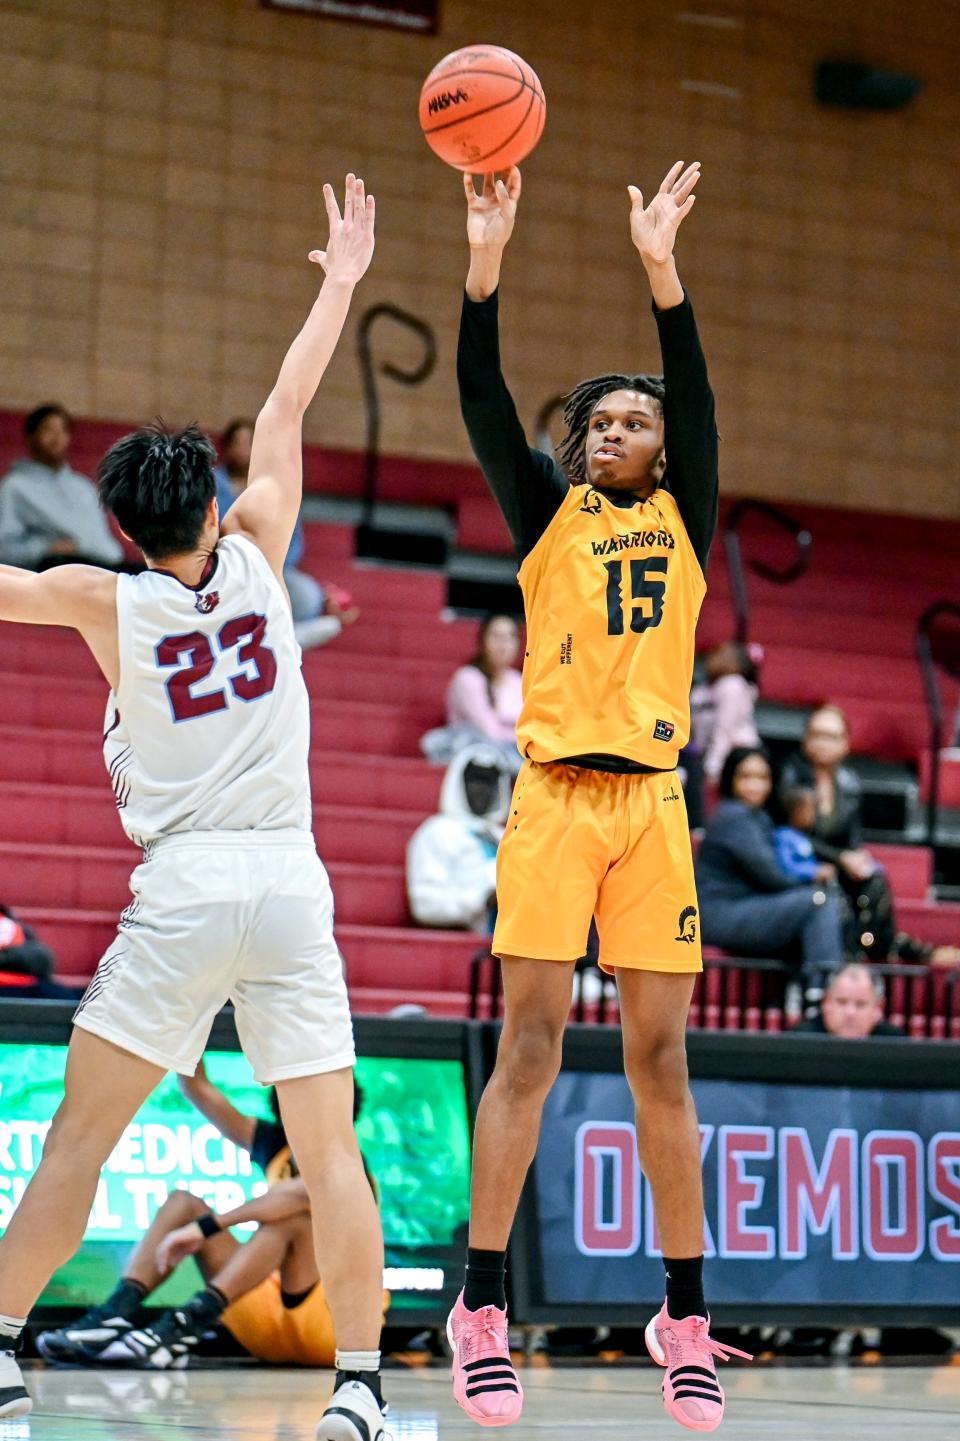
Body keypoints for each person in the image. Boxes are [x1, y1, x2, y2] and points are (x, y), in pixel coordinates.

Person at [0, 175, 386, 1441]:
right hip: (291, 883)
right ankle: (363, 1391)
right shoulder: (266, 548)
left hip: (185, 889)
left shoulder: (101, 600)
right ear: (214, 505)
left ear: (119, 525)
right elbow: (286, 404)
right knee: (328, 1157)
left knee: (81, 1143)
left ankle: (1, 1351)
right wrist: (336, 279)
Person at [450, 160, 750, 1435]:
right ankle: (479, 1306)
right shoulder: (546, 516)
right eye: (599, 421)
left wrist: (660, 271)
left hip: (653, 812)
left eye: (633, 418)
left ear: (665, 445)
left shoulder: (688, 514)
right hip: (557, 800)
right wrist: (485, 262)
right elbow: (480, 395)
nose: (609, 429)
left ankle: (681, 1312)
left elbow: (703, 395)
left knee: (661, 1062)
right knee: (530, 1046)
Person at [36, 1062, 383, 1370]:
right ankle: (114, 1314)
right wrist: (194, 1015)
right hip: (265, 1317)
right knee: (182, 1202)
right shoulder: (275, 1142)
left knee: (290, 1222)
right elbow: (197, 1088)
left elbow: (298, 1195)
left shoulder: (351, 1161)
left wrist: (207, 1228)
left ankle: (184, 1322)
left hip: (334, 1327)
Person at [780, 707, 956, 965]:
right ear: (805, 739)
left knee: (874, 878)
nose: (822, 743)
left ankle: (876, 948)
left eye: (831, 737)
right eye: (816, 735)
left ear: (845, 744)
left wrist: (855, 858)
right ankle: (867, 956)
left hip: (836, 865)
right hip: (797, 865)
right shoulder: (789, 777)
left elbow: (852, 839)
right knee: (833, 892)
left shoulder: (849, 784)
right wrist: (841, 859)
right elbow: (787, 838)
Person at [696, 747, 844, 994]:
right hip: (720, 913)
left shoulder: (756, 816)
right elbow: (772, 876)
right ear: (729, 779)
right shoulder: (734, 817)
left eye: (762, 778)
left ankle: (805, 991)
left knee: (818, 900)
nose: (754, 785)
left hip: (742, 907)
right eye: (745, 777)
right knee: (817, 901)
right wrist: (812, 877)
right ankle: (824, 993)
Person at [214, 416, 359, 651]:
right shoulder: (210, 484)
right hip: (224, 567)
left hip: (271, 568)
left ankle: (277, 639)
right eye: (237, 442)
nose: (242, 449)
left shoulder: (276, 488)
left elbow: (293, 540)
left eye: (249, 443)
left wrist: (272, 567)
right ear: (226, 447)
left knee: (307, 596)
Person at [0, 404, 125, 570]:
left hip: (96, 571)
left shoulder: (85, 488)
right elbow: (4, 550)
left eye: (63, 430)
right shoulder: (14, 487)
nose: (57, 437)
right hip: (48, 574)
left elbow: (111, 551)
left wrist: (79, 546)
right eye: (48, 430)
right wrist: (46, 548)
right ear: (30, 437)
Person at [406, 744, 513, 933]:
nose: (482, 790)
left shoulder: (506, 835)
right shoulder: (437, 832)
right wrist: (483, 900)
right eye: (475, 780)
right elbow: (424, 904)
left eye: (489, 782)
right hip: (470, 938)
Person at [421, 615, 524, 773]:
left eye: (510, 637)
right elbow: (489, 732)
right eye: (496, 637)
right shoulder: (468, 678)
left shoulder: (517, 680)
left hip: (512, 750)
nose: (503, 645)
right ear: (482, 641)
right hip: (477, 752)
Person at [691, 640, 762, 787]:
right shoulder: (706, 688)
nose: (709, 660)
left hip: (737, 753)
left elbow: (724, 728)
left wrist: (713, 767)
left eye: (716, 655)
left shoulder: (732, 684)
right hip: (709, 754)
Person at [793, 963, 905, 1038]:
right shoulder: (799, 1040)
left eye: (860, 1004)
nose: (850, 1013)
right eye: (841, 1002)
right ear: (825, 1003)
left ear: (878, 1008)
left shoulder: (897, 1044)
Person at [772, 786, 821, 881]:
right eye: (809, 811)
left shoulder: (803, 835)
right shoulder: (783, 835)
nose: (813, 816)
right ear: (795, 811)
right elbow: (786, 866)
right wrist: (814, 871)